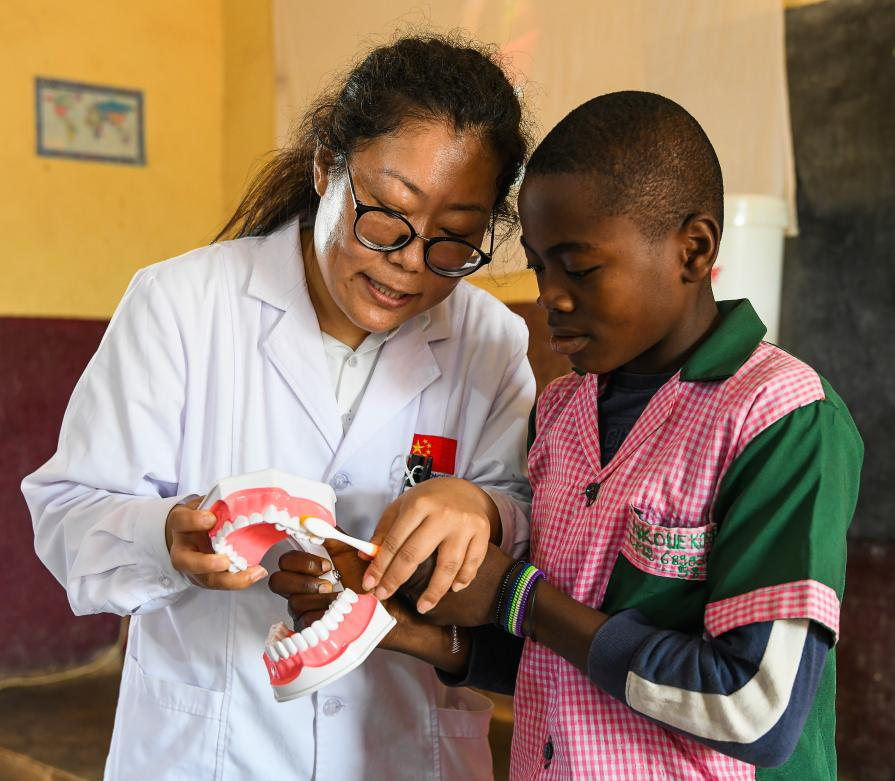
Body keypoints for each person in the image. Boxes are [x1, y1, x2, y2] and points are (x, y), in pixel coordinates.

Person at [278, 91, 864, 780]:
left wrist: (516, 595)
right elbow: (563, 659)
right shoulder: (562, 411)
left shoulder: (778, 417)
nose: (550, 295)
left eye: (579, 268)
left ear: (694, 249)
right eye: (539, 265)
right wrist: (408, 630)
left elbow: (756, 709)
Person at [22, 34, 534, 780]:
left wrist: (480, 508)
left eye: (453, 238)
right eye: (387, 215)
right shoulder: (182, 304)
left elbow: (527, 515)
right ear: (327, 166)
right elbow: (68, 509)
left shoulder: (490, 341)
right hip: (211, 752)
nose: (409, 261)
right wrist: (165, 537)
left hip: (404, 749)